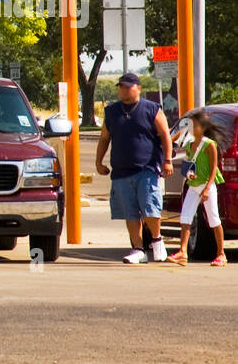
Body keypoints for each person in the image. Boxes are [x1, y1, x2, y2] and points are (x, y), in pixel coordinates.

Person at [95, 73, 173, 264]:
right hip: (121, 171)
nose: (123, 90)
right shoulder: (112, 111)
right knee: (129, 213)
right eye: (121, 86)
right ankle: (138, 249)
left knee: (150, 208)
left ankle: (156, 241)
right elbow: (105, 138)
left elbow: (165, 134)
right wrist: (99, 162)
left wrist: (168, 160)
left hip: (146, 168)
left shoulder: (152, 109)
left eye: (128, 86)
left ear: (138, 88)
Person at [167, 109, 227, 266]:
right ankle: (182, 251)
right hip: (193, 185)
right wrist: (169, 142)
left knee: (214, 219)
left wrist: (207, 188)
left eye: (195, 125)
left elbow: (214, 168)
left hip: (207, 186)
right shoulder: (190, 144)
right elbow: (178, 153)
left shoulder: (209, 145)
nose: (192, 128)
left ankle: (221, 254)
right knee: (185, 217)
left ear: (204, 127)